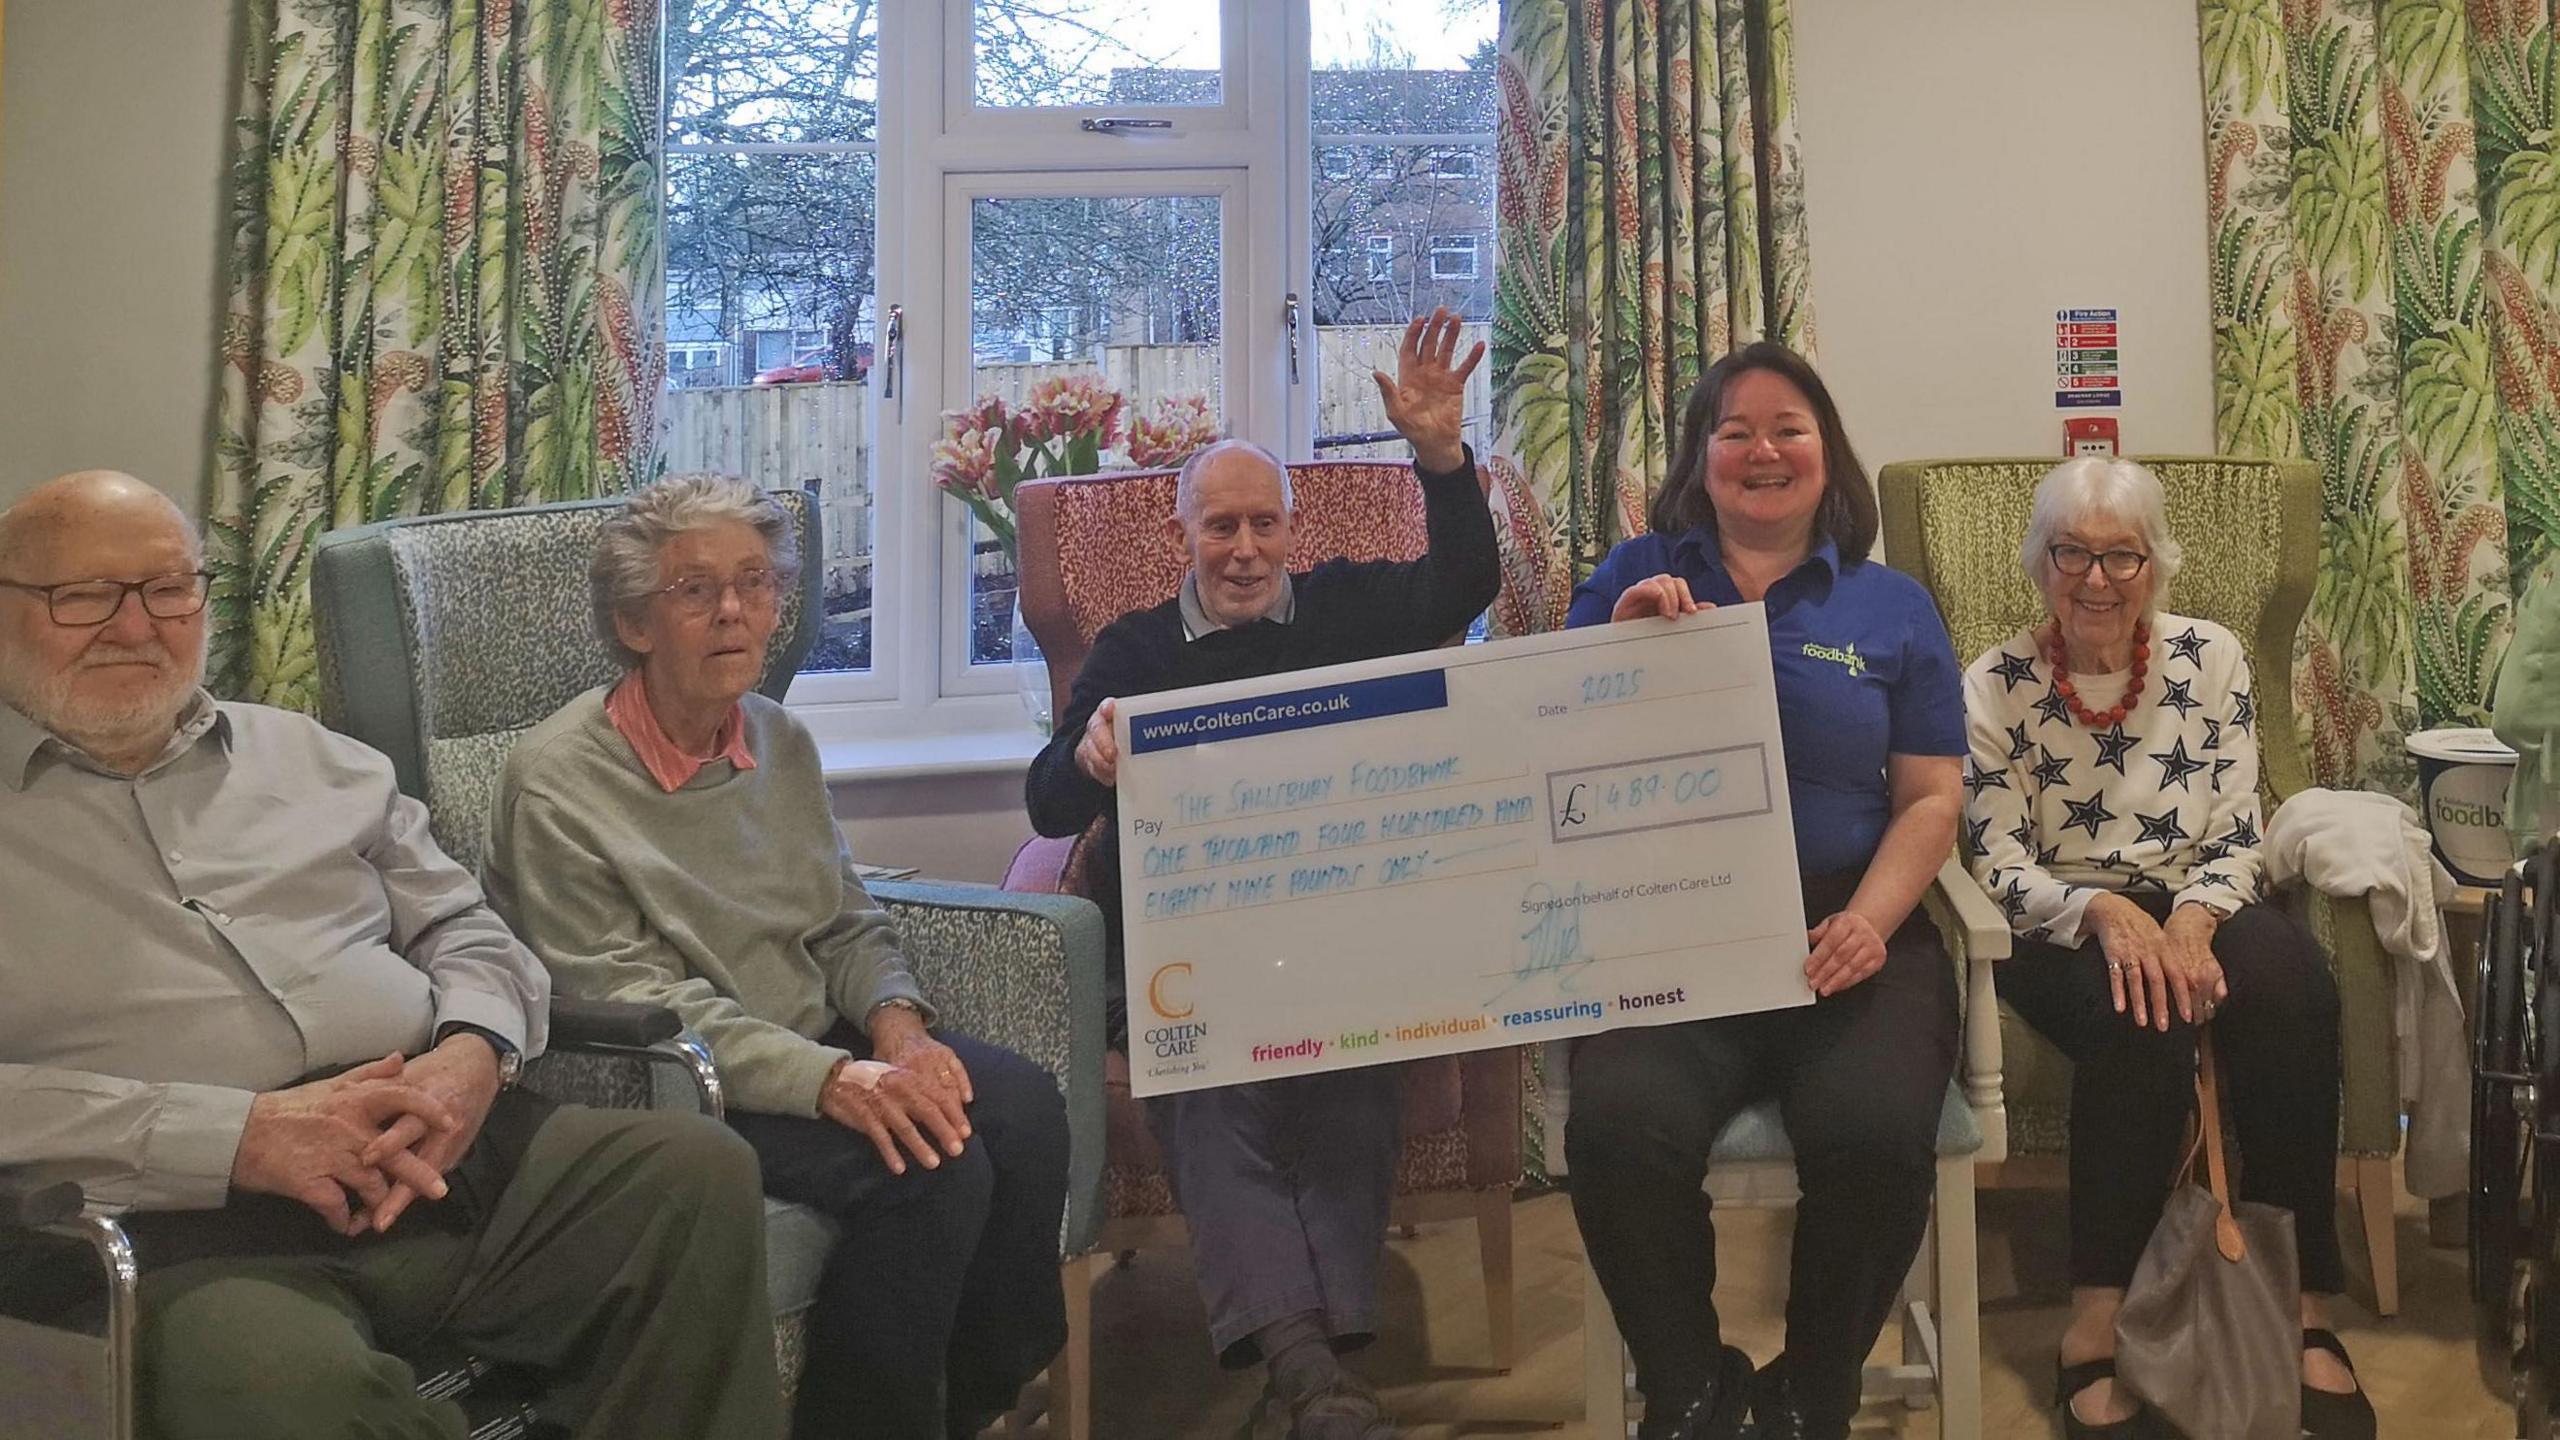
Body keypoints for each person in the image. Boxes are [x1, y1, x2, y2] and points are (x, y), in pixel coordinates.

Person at [0, 471, 782, 1440]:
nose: (135, 625)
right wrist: (235, 1135)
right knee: (279, 1383)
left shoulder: (323, 761)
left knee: (689, 1173)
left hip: (445, 1156)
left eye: (169, 588)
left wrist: (471, 1057)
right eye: (82, 596)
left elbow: (469, 930)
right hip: (188, 1232)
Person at [484, 474, 1071, 1440]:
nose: (733, 613)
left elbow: (842, 918)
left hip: (807, 1039)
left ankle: (969, 1405)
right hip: (672, 1087)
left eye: (755, 584)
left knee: (1020, 1109)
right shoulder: (556, 784)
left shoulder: (779, 740)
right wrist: (839, 1080)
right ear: (635, 623)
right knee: (933, 1172)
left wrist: (898, 1028)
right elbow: (637, 1000)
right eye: (695, 591)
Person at [1022, 309, 1494, 1440]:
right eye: (1220, 526)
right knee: (1207, 1093)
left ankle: (1306, 1378)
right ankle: (1312, 1374)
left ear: (1292, 530)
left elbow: (1464, 585)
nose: (1244, 549)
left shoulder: (1345, 611)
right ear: (1183, 534)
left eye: (1264, 525)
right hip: (1193, 965)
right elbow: (1047, 804)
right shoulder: (1132, 650)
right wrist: (1090, 756)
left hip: (1336, 950)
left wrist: (1438, 455)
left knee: (1352, 1089)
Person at [1562, 343, 1967, 1440]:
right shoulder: (1629, 574)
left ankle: (1811, 1389)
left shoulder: (1892, 607)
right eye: (1733, 430)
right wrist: (1615, 655)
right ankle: (1689, 1388)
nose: (1762, 450)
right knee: (1615, 1129)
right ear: (1700, 459)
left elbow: (1930, 798)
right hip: (1671, 928)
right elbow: (1550, 757)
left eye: (1788, 427)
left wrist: (1869, 923)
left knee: (1878, 1133)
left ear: (1827, 455)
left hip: (1848, 927)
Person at [1961, 457, 2373, 1440]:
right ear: (2038, 561)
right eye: (2071, 553)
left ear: (2155, 566)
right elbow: (1996, 863)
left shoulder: (2212, 658)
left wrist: (2190, 921)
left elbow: (2236, 832)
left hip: (2201, 894)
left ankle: (2303, 1304)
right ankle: (2092, 1328)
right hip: (2059, 915)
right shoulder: (1994, 684)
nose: (2094, 579)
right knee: (2134, 1014)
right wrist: (2104, 917)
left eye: (2120, 556)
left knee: (2292, 991)